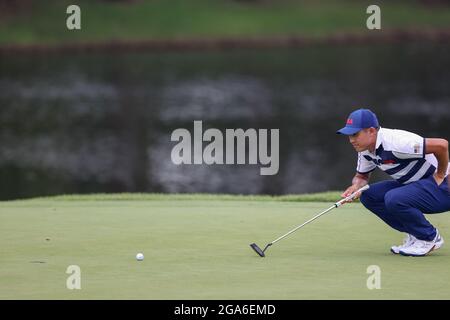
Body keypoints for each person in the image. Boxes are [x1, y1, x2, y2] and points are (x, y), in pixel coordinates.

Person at [337, 108, 450, 256]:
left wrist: (441, 174)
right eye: (349, 135)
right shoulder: (365, 150)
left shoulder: (397, 142)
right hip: (418, 185)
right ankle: (416, 233)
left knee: (395, 198)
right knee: (368, 194)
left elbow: (441, 145)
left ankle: (429, 237)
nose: (351, 140)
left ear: (371, 131)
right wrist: (356, 186)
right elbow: (362, 176)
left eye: (355, 134)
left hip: (444, 188)